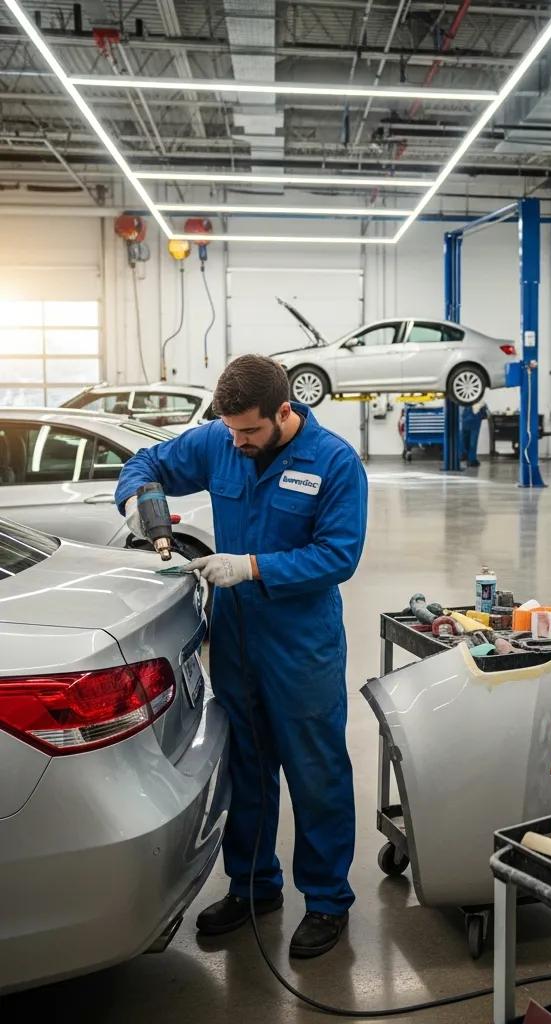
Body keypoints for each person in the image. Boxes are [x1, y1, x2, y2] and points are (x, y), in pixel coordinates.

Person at [115, 355, 368, 959]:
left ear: (284, 411)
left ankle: (327, 900)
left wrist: (252, 566)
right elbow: (145, 462)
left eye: (250, 431)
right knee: (246, 770)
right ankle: (254, 887)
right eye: (230, 430)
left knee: (316, 772)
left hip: (301, 646)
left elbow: (339, 555)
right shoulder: (220, 440)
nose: (238, 443)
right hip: (235, 639)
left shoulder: (334, 463)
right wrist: (139, 501)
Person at [459, 401, 488, 466]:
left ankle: (469, 458)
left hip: (468, 414)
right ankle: (471, 459)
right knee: (472, 440)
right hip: (472, 414)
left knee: (467, 439)